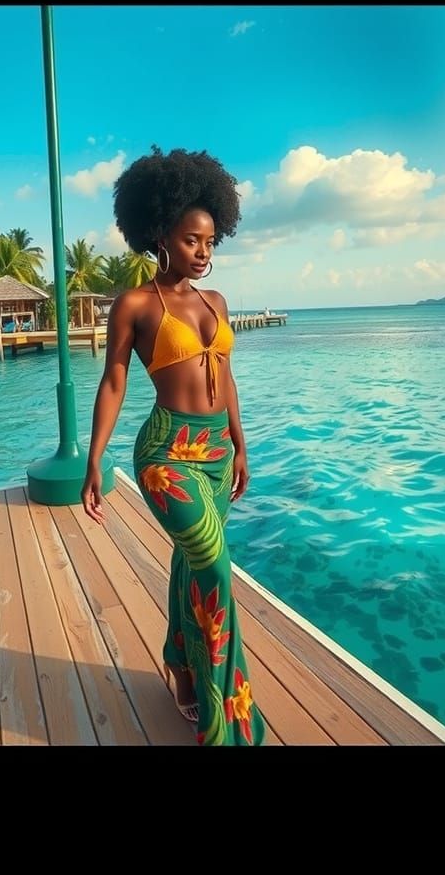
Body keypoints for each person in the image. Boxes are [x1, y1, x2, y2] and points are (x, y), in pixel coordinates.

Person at [81, 146, 265, 747]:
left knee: (191, 561)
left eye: (211, 242)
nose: (204, 253)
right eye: (192, 241)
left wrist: (240, 444)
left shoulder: (217, 303)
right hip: (166, 454)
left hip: (215, 453)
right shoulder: (134, 304)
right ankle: (228, 717)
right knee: (212, 562)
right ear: (160, 233)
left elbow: (227, 379)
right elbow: (114, 381)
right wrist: (94, 458)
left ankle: (181, 664)